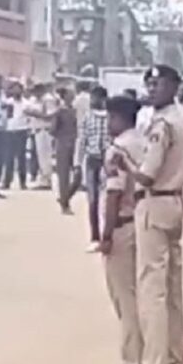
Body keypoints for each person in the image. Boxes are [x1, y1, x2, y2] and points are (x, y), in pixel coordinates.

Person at [111, 65, 183, 364]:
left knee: (152, 291)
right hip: (173, 202)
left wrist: (122, 161)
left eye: (158, 83)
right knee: (171, 290)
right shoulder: (181, 118)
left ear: (174, 85)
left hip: (155, 201)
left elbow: (145, 177)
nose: (152, 87)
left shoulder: (162, 124)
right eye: (149, 82)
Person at [97, 95, 146, 364]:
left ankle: (131, 362)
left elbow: (114, 192)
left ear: (118, 117)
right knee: (141, 293)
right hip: (142, 221)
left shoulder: (117, 149)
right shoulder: (142, 143)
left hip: (123, 224)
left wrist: (106, 232)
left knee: (123, 296)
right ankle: (144, 355)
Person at [78, 86, 110, 252]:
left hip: (108, 161)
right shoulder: (87, 117)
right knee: (93, 200)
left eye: (94, 98)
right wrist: (78, 162)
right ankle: (95, 236)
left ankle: (108, 234)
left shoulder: (111, 117)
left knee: (108, 199)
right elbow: (82, 140)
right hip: (92, 161)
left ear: (102, 99)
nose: (91, 101)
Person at [52, 88, 79, 215]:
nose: (72, 96)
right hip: (63, 144)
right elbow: (53, 129)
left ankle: (64, 198)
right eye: (70, 95)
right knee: (64, 176)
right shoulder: (60, 112)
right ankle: (65, 204)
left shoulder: (74, 110)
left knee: (77, 176)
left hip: (72, 143)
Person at [3, 82, 31, 191]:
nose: (16, 92)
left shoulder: (26, 104)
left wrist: (28, 128)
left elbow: (30, 118)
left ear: (22, 91)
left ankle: (22, 182)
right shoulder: (8, 103)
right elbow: (6, 116)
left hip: (21, 131)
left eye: (18, 89)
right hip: (10, 131)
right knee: (9, 158)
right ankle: (7, 182)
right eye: (14, 90)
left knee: (21, 158)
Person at [27, 83, 55, 190]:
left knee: (45, 157)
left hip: (45, 130)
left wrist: (35, 114)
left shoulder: (48, 100)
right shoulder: (35, 100)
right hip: (37, 130)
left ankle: (46, 181)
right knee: (40, 156)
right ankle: (43, 178)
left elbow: (50, 115)